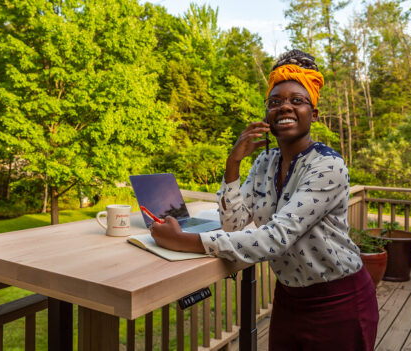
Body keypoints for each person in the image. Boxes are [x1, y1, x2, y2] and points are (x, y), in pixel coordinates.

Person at [150, 49, 379, 350]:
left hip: (338, 301)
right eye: (275, 102)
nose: (284, 107)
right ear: (266, 115)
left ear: (314, 113)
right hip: (287, 298)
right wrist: (233, 164)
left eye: (297, 100)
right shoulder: (264, 162)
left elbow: (276, 237)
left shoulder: (327, 166)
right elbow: (233, 224)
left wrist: (186, 241)